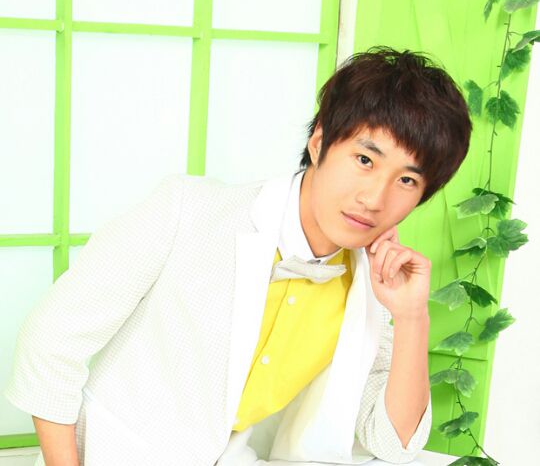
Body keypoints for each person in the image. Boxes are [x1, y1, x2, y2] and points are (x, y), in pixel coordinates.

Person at [4, 45, 472, 466]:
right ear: (319, 142)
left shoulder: (371, 283)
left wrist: (411, 315)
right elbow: (50, 341)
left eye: (406, 180)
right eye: (365, 160)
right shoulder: (187, 211)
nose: (374, 198)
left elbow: (394, 444)